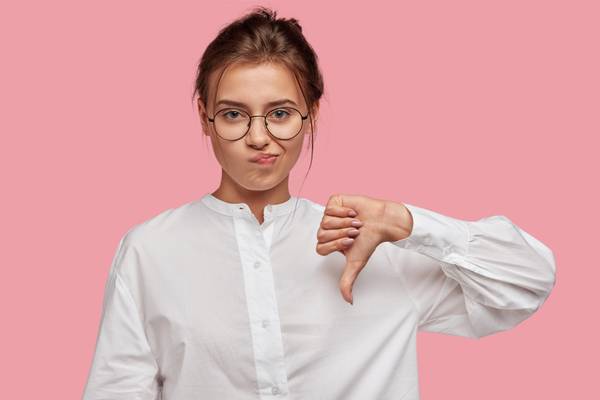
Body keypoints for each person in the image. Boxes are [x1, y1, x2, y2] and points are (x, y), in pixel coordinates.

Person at [82, 6, 556, 400]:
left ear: (311, 115)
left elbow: (529, 282)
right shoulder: (150, 251)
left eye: (281, 114)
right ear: (205, 119)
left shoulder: (378, 245)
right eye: (232, 114)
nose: (259, 138)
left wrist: (406, 222)